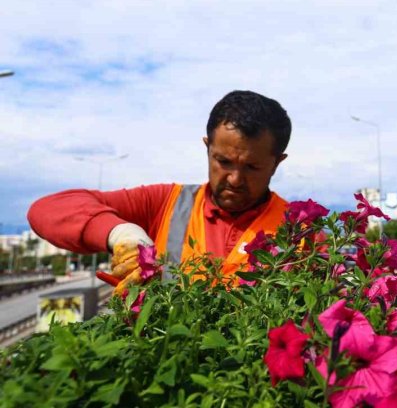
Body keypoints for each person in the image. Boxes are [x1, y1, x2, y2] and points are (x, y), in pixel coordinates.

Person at [28, 90, 291, 292]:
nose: (234, 179)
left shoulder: (302, 232)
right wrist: (120, 233)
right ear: (207, 147)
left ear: (277, 162)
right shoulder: (166, 204)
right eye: (223, 161)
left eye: (252, 167)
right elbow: (48, 210)